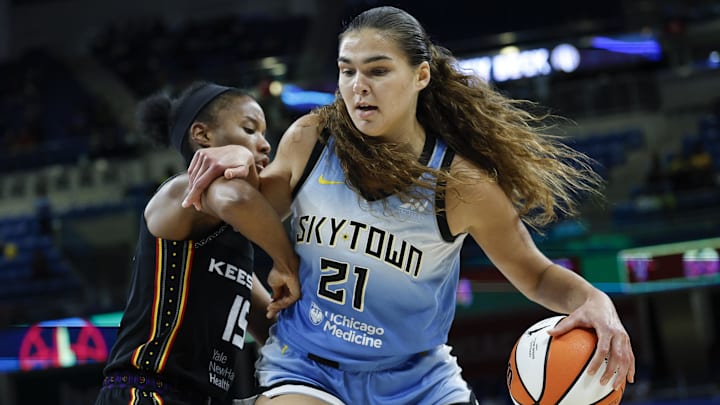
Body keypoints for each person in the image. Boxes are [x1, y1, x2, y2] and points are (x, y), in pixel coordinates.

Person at [183, 7, 635, 405]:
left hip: (418, 381)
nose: (358, 86)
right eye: (347, 71)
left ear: (421, 75)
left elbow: (535, 274)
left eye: (377, 71)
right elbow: (248, 207)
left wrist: (595, 301)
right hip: (306, 366)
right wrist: (236, 159)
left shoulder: (460, 185)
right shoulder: (313, 138)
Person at [95, 81, 300, 405]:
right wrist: (287, 264)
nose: (265, 145)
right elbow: (237, 199)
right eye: (250, 130)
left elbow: (275, 332)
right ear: (202, 135)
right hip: (147, 391)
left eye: (264, 134)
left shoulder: (231, 244)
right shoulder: (180, 193)